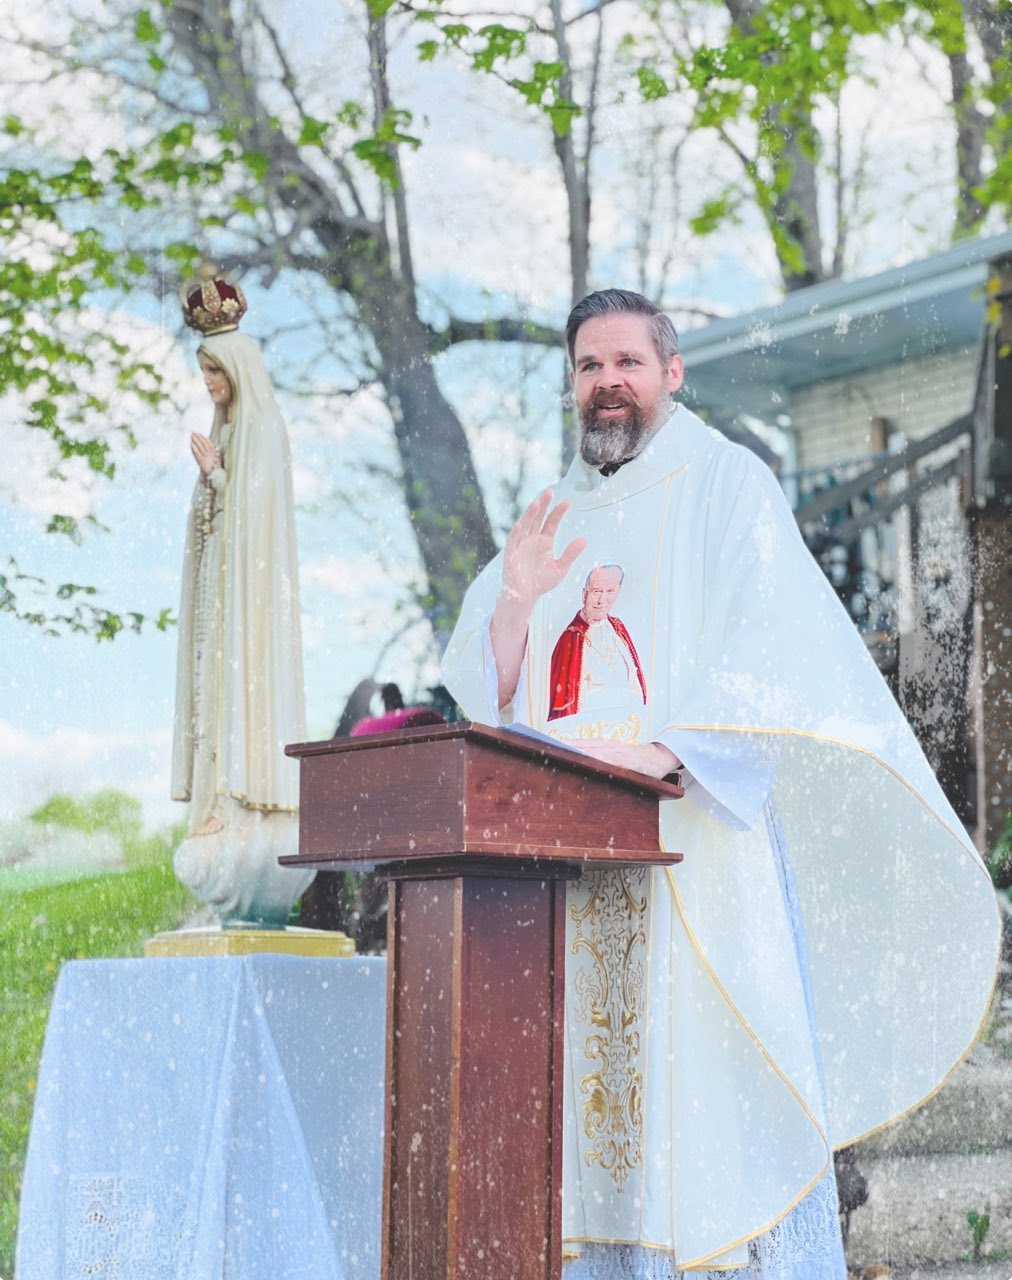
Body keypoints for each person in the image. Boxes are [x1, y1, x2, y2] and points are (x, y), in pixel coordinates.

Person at [442, 289, 999, 1276]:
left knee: (701, 1103)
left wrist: (662, 756)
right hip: (565, 869)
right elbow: (489, 700)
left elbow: (772, 644)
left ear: (670, 372)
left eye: (626, 362)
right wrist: (517, 601)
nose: (606, 383)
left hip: (690, 849)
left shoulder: (725, 483)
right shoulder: (550, 512)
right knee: (582, 1114)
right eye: (587, 366)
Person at [170, 272, 314, 927]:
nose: (210, 387)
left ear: (239, 370)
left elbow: (257, 524)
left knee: (238, 689)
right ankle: (215, 800)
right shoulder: (226, 431)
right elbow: (216, 521)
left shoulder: (263, 430)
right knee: (211, 689)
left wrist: (219, 477)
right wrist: (212, 483)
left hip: (248, 612)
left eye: (216, 374)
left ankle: (241, 801)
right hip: (221, 604)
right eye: (204, 375)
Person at [549, 564, 647, 722]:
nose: (602, 600)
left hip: (627, 726)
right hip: (588, 730)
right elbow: (565, 708)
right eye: (597, 591)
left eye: (610, 592)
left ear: (618, 593)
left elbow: (635, 685)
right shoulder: (571, 638)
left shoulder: (618, 629)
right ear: (584, 594)